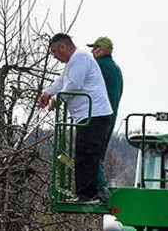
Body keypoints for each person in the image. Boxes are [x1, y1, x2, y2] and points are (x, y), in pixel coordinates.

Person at [39, 33, 114, 203]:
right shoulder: (74, 61)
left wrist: (56, 101)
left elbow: (73, 85)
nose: (55, 57)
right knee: (82, 153)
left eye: (54, 52)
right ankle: (84, 193)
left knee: (87, 154)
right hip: (88, 115)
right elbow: (62, 81)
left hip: (94, 114)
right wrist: (47, 93)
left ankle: (88, 195)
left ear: (63, 47)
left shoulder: (80, 58)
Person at [89, 36, 124, 197]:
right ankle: (100, 187)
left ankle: (96, 189)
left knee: (92, 151)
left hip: (98, 115)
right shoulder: (116, 69)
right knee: (100, 151)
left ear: (102, 50)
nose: (92, 52)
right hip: (111, 114)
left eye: (95, 48)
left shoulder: (97, 66)